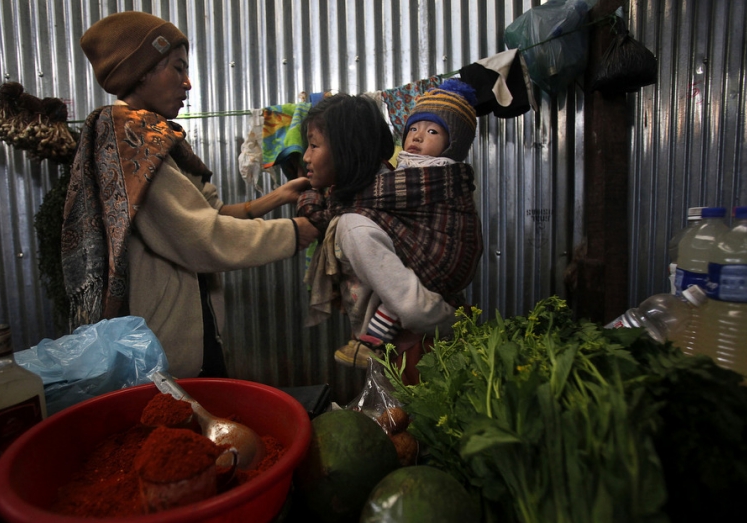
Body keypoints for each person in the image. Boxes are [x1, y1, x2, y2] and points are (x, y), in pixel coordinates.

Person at [61, 11, 319, 379]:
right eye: (177, 68)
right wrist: (295, 232)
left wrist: (278, 198)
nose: (188, 83)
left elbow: (208, 212)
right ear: (142, 70)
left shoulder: (154, 139)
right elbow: (202, 237)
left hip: (182, 331)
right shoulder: (131, 142)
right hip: (161, 350)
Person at [297, 84, 483, 383]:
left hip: (412, 356)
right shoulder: (384, 189)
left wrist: (460, 323)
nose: (306, 156)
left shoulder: (355, 224)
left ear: (345, 151)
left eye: (314, 145)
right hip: (409, 349)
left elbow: (413, 307)